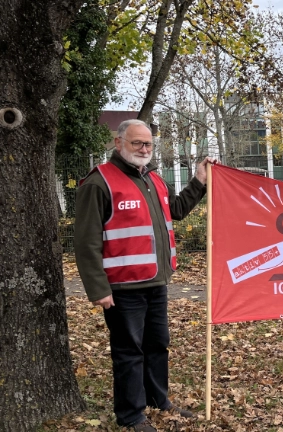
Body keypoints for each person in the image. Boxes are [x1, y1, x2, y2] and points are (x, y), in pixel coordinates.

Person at [75, 119, 215, 432]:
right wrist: (98, 288)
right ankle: (131, 416)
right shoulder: (99, 183)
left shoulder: (154, 178)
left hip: (156, 282)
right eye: (137, 143)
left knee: (157, 344)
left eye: (148, 144)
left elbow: (176, 210)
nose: (144, 149)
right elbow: (86, 242)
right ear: (118, 142)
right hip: (122, 287)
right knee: (128, 352)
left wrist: (199, 180)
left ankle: (157, 400)